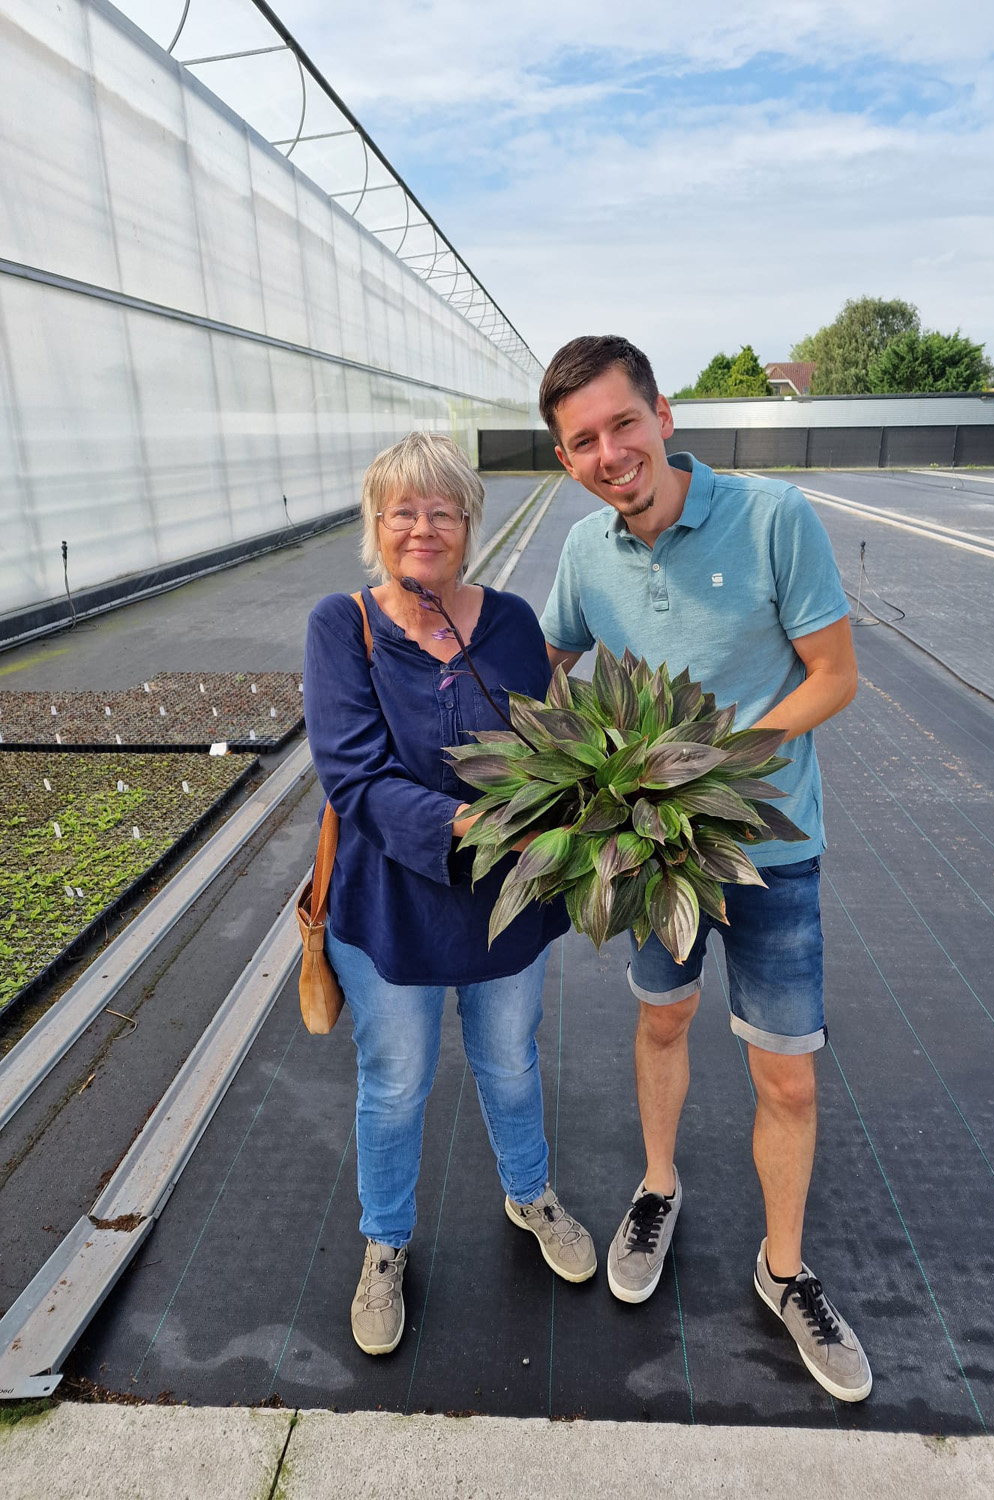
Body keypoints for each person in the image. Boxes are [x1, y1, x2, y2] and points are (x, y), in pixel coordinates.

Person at [537, 335, 871, 1402]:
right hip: (654, 859)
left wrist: (724, 761)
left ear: (664, 417)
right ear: (565, 459)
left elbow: (833, 675)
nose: (610, 452)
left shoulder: (773, 518)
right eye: (584, 441)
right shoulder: (586, 552)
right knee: (663, 1021)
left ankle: (785, 1270)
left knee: (787, 1071)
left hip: (771, 850)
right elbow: (542, 663)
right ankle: (657, 1188)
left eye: (623, 423)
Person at [303, 431, 595, 1358]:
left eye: (442, 510)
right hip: (390, 907)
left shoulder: (509, 623)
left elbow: (552, 742)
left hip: (503, 908)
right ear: (375, 524)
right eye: (403, 510)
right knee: (395, 1083)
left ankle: (529, 1195)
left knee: (509, 1061)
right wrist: (481, 825)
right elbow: (353, 775)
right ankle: (385, 1243)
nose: (422, 527)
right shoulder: (342, 625)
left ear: (470, 523)